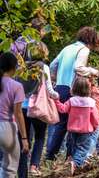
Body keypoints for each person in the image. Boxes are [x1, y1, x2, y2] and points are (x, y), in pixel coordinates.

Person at [46, 27, 99, 162]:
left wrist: (56, 79)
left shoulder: (67, 48)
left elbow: (53, 65)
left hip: (59, 87)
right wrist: (93, 71)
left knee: (61, 124)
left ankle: (51, 155)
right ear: (92, 39)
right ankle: (71, 156)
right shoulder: (84, 49)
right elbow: (78, 68)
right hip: (72, 89)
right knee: (72, 123)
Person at [18, 42, 59, 177]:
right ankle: (34, 166)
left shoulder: (21, 67)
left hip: (23, 108)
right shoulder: (43, 67)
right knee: (40, 137)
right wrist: (56, 95)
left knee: (24, 140)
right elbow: (48, 88)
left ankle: (22, 172)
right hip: (38, 108)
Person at [53, 77, 99, 175]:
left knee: (73, 146)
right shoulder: (91, 103)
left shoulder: (72, 100)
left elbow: (62, 109)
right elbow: (96, 118)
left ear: (74, 88)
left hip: (72, 130)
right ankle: (75, 163)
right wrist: (95, 128)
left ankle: (71, 163)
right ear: (88, 89)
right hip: (85, 131)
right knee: (82, 149)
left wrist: (56, 100)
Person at [0, 52, 29, 178]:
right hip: (7, 129)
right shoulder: (17, 86)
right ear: (14, 67)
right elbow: (18, 113)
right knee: (9, 169)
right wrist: (24, 139)